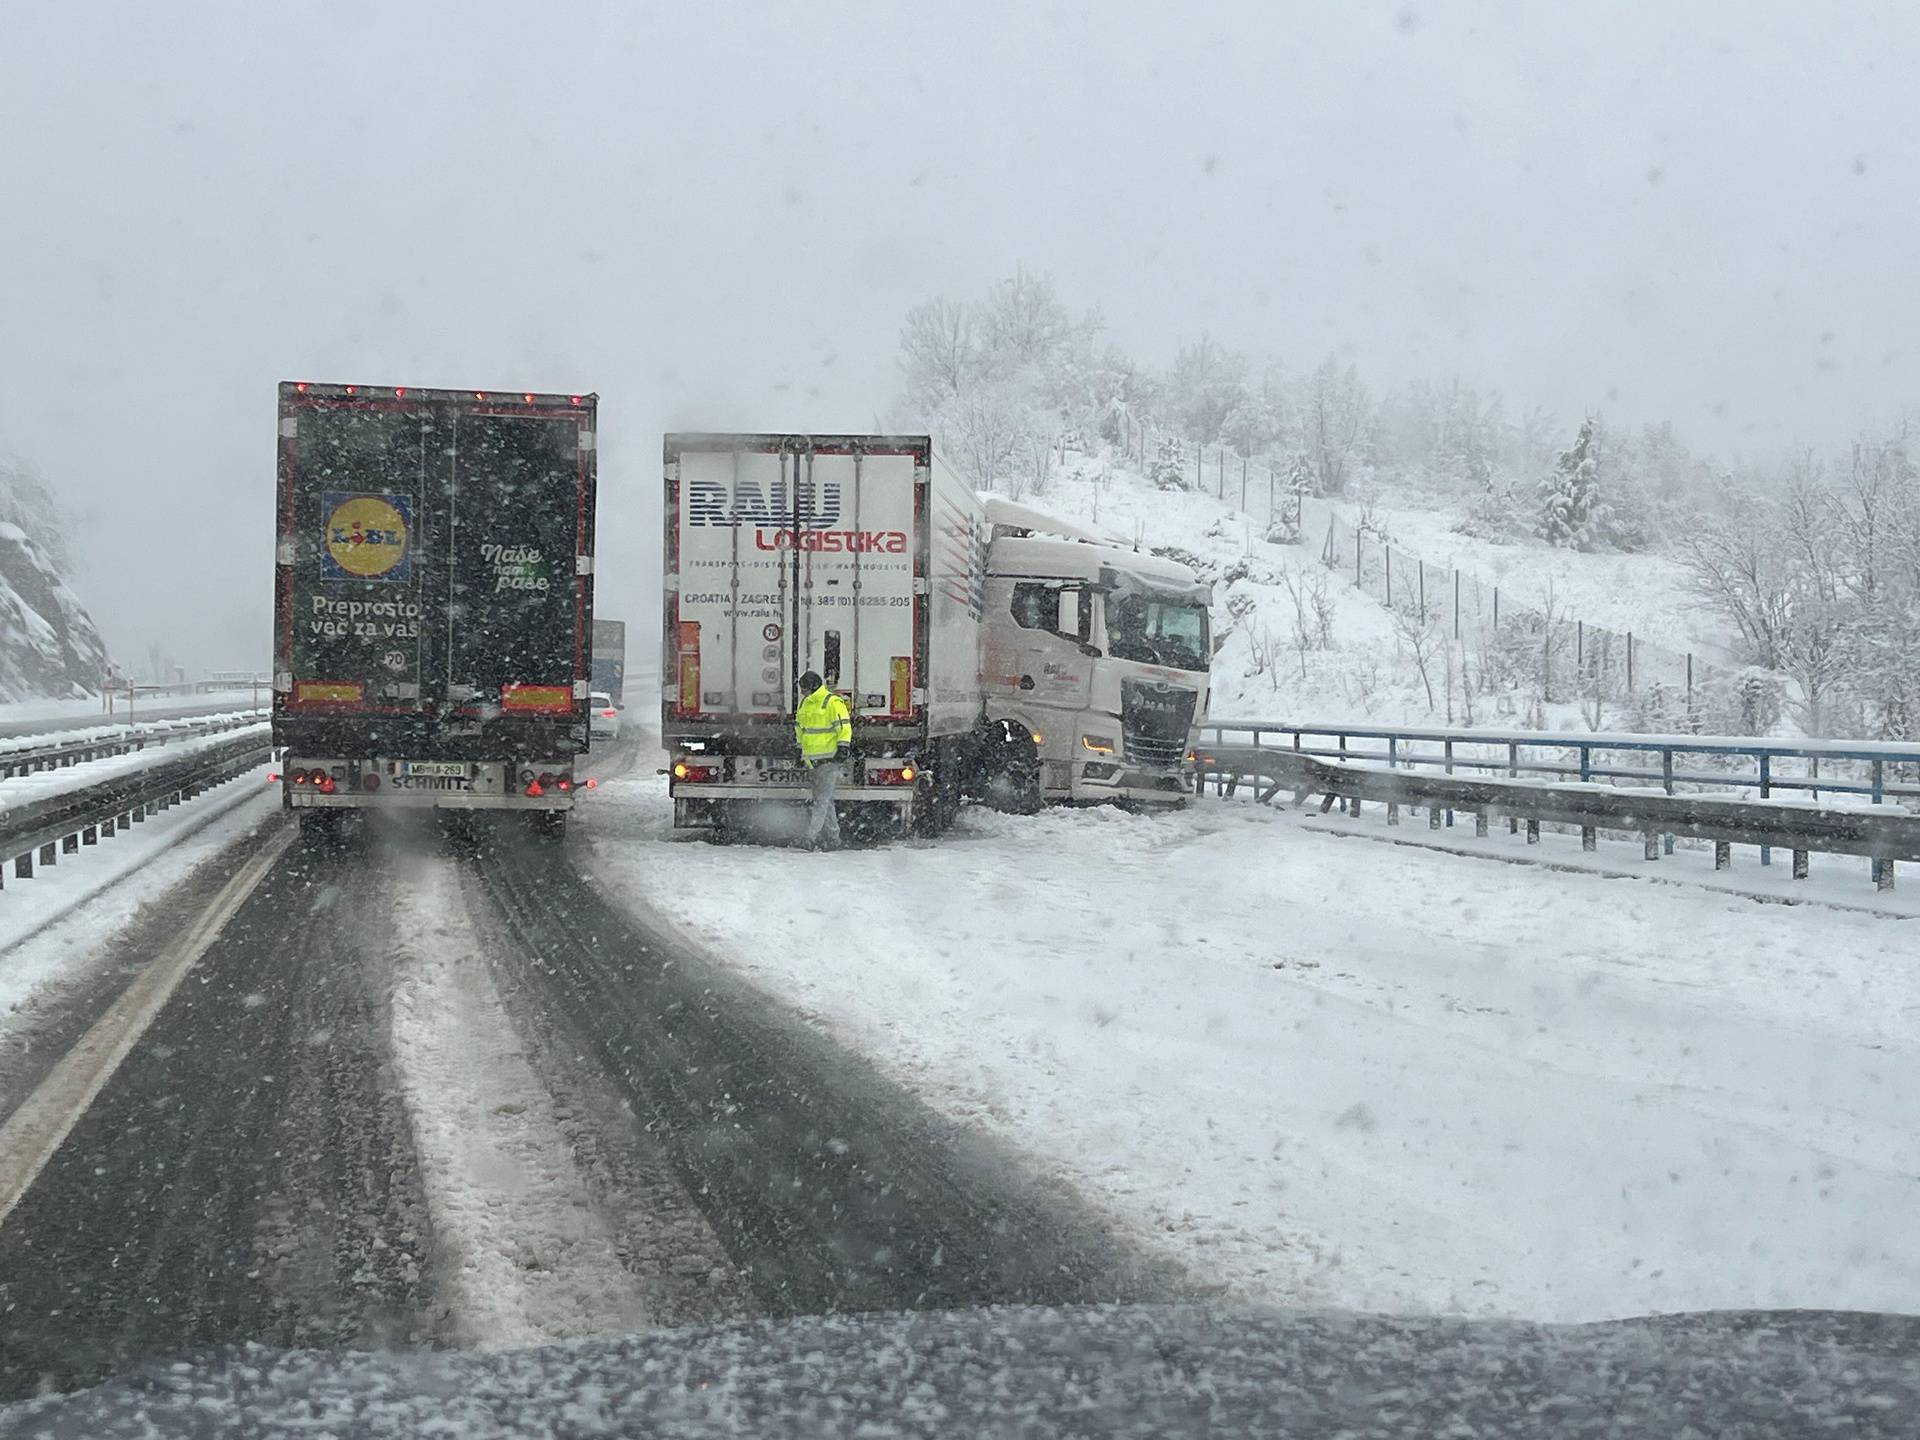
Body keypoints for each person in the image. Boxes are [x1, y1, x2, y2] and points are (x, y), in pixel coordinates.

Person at [793, 669, 852, 849]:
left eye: (803, 688)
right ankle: (835, 838)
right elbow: (800, 728)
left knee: (821, 801)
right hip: (812, 761)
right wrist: (799, 749)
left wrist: (843, 747)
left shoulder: (832, 702)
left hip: (828, 760)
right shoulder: (805, 703)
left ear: (811, 686)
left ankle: (810, 837)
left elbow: (844, 726)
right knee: (826, 800)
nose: (801, 691)